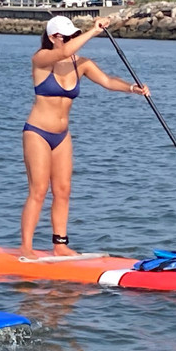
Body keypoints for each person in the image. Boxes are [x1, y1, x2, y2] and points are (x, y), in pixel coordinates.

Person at [20, 15, 150, 259]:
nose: (72, 40)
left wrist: (133, 88)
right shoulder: (41, 59)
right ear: (53, 37)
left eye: (74, 35)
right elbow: (62, 53)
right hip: (37, 132)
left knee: (63, 190)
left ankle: (60, 244)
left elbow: (108, 81)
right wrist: (94, 31)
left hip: (62, 135)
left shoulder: (82, 64)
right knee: (39, 190)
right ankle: (26, 246)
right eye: (68, 37)